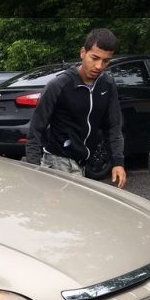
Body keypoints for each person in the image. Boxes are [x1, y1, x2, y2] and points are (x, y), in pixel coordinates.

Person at [26, 28, 127, 188]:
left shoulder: (107, 84)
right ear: (82, 53)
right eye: (94, 58)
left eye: (106, 61)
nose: (99, 66)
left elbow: (114, 127)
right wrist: (34, 171)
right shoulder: (59, 85)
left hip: (84, 163)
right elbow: (35, 130)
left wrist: (118, 162)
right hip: (57, 163)